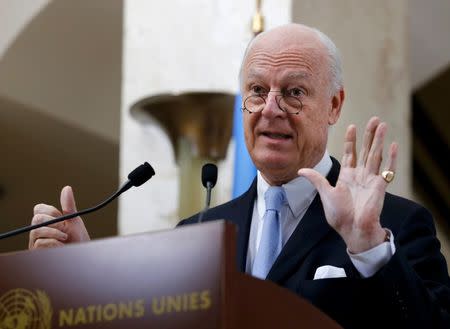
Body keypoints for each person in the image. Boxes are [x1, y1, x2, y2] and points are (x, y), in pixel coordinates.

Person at [29, 24, 449, 328]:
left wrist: (369, 250)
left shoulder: (394, 227)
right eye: (256, 90)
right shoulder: (197, 232)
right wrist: (80, 273)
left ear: (334, 105)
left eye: (294, 92)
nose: (270, 109)